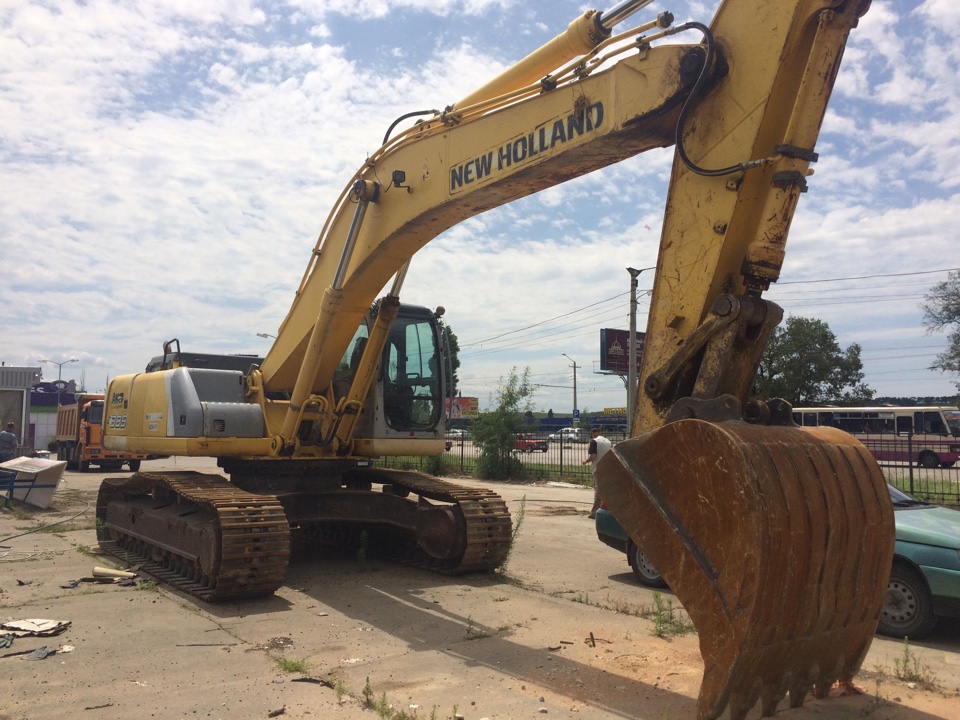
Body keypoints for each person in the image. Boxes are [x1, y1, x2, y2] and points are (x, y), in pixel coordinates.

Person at [582, 426, 612, 519]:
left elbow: (593, 456)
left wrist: (585, 461)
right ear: (600, 433)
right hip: (608, 468)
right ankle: (606, 509)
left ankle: (595, 513)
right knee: (606, 489)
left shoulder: (594, 441)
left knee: (598, 490)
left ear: (593, 434)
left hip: (599, 468)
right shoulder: (608, 442)